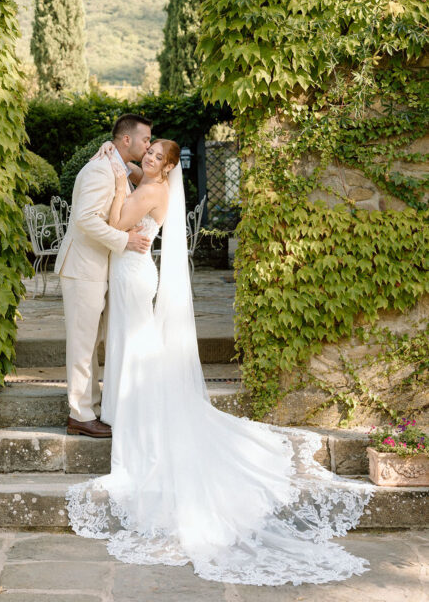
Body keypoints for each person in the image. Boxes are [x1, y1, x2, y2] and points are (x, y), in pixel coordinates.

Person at [67, 139, 373, 586]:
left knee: (135, 343)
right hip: (133, 270)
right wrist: (120, 168)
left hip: (132, 273)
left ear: (169, 168)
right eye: (146, 153)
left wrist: (119, 180)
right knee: (133, 343)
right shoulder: (149, 184)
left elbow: (116, 222)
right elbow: (131, 184)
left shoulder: (151, 191)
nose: (147, 159)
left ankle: (139, 412)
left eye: (156, 158)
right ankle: (124, 406)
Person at [54, 114, 153, 438]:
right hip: (83, 269)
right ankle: (79, 415)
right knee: (82, 345)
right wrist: (125, 240)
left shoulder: (118, 166)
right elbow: (86, 220)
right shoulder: (100, 169)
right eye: (145, 140)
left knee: (92, 341)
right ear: (127, 140)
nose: (148, 145)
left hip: (98, 268)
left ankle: (90, 406)